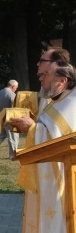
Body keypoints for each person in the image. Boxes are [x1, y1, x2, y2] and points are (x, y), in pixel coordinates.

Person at [10, 60, 76, 233]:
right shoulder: (54, 100)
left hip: (62, 176)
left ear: (62, 81)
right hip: (45, 172)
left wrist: (32, 128)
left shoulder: (72, 102)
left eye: (47, 74)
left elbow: (63, 141)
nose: (41, 78)